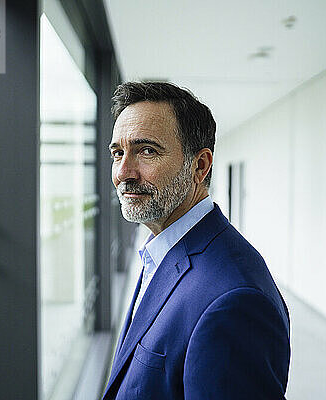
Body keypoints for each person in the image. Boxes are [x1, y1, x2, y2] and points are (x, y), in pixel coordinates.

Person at [103, 81, 290, 400]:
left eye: (146, 151)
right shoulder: (163, 250)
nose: (124, 172)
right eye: (118, 153)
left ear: (199, 166)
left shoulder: (235, 301)